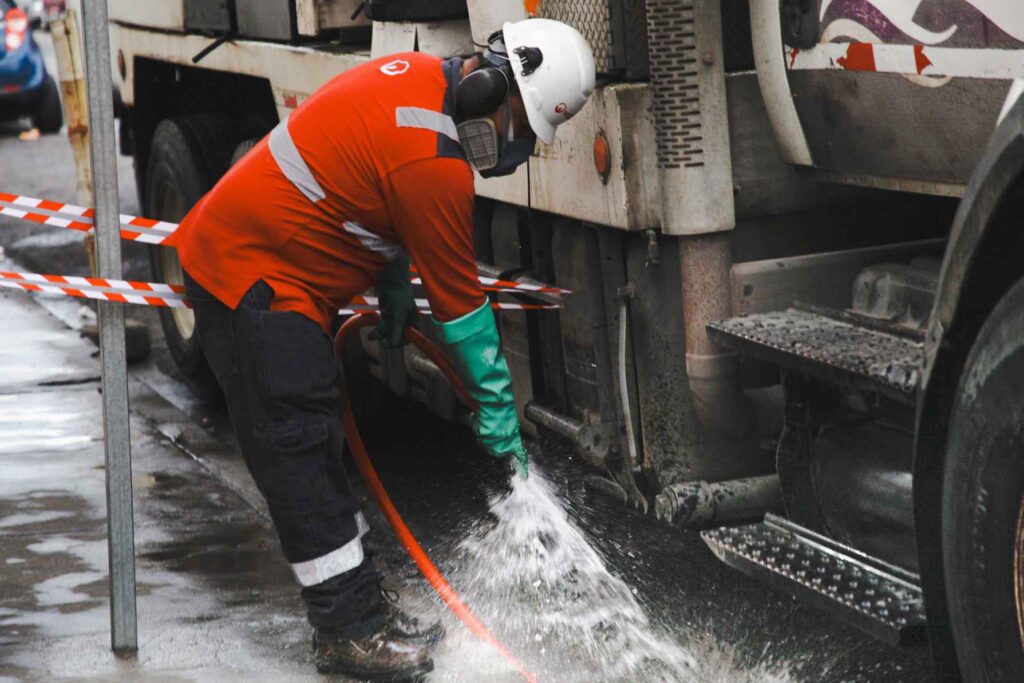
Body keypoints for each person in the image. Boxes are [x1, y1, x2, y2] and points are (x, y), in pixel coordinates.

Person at [165, 18, 595, 681]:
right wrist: (501, 421)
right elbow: (465, 315)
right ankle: (349, 633)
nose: (515, 150)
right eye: (523, 128)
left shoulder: (425, 84)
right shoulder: (433, 161)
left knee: (318, 449)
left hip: (274, 273)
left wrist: (390, 278)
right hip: (251, 279)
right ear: (489, 89)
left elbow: (366, 177)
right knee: (300, 451)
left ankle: (365, 610)